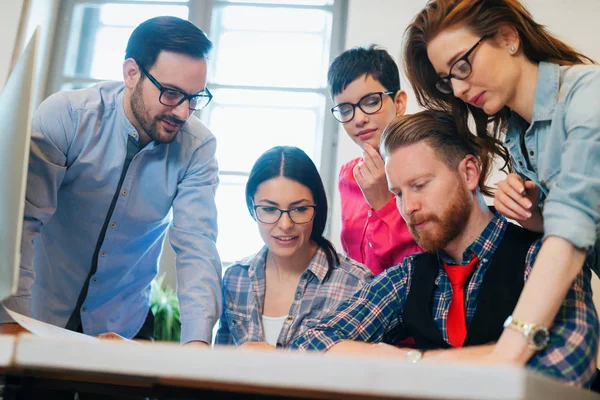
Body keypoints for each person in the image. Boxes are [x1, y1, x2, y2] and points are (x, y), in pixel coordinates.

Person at [290, 111, 599, 388]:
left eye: (420, 185)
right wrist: (405, 359)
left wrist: (421, 364)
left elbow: (565, 370)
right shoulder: (409, 276)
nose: (408, 207)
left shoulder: (544, 255)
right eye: (398, 193)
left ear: (469, 173)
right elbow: (307, 344)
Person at [0, 16, 221, 346]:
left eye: (194, 98)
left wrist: (198, 343)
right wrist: (9, 321)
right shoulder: (67, 117)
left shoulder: (197, 149)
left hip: (121, 328)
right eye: (172, 94)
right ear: (132, 73)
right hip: (38, 319)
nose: (183, 113)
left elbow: (197, 246)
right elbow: (21, 225)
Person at [402, 0, 600, 367]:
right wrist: (534, 217)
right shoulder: (517, 135)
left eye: (463, 65)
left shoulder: (589, 95)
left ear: (509, 37)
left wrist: (510, 348)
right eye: (448, 79)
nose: (459, 89)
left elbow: (573, 233)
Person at [215, 146, 372, 348]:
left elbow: (359, 374)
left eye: (299, 209)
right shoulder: (235, 279)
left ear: (317, 207)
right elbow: (220, 369)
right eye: (270, 209)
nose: (285, 225)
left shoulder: (355, 284)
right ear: (251, 206)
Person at [328, 46, 421, 276]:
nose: (358, 119)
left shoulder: (424, 169)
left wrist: (383, 204)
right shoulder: (348, 176)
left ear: (398, 103)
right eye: (345, 109)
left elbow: (426, 264)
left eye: (370, 102)